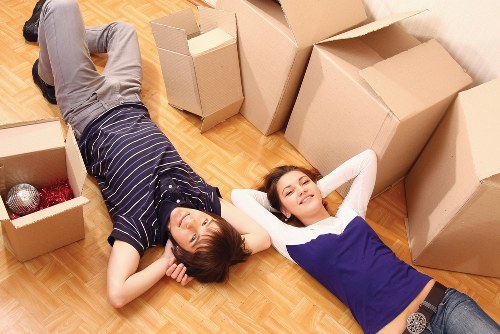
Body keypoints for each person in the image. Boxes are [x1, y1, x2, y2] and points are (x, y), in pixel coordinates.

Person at [25, 0, 270, 308]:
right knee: (122, 31)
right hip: (127, 96)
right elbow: (261, 237)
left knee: (60, 6)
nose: (192, 223)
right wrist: (207, 257)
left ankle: (51, 64)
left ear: (178, 250)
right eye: (206, 225)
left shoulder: (142, 227)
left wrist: (166, 263)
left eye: (192, 238)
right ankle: (56, 40)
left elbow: (118, 294)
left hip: (86, 107)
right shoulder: (202, 200)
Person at [231, 149, 499, 334]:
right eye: (290, 192)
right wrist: (282, 203)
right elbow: (239, 196)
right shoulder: (292, 239)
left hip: (444, 305)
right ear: (283, 211)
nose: (301, 189)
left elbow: (367, 160)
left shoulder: (350, 214)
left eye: (304, 182)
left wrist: (314, 188)